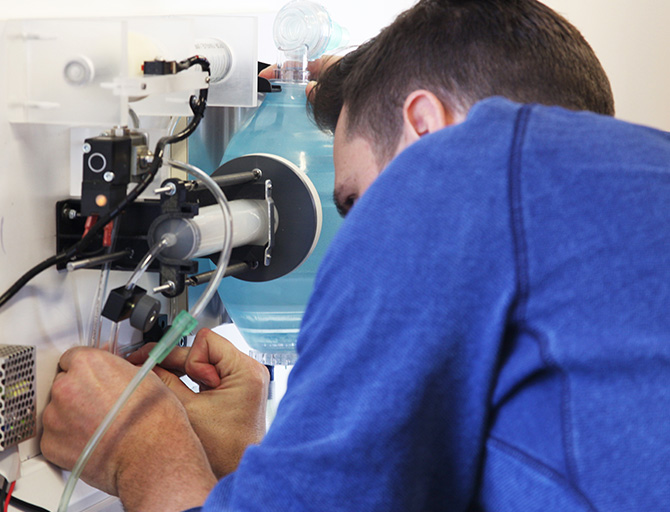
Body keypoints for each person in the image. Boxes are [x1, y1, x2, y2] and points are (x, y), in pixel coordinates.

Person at [42, 0, 670, 510]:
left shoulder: (457, 172)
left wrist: (135, 441)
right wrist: (250, 470)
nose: (364, 234)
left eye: (357, 202)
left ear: (427, 126)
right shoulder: (624, 197)